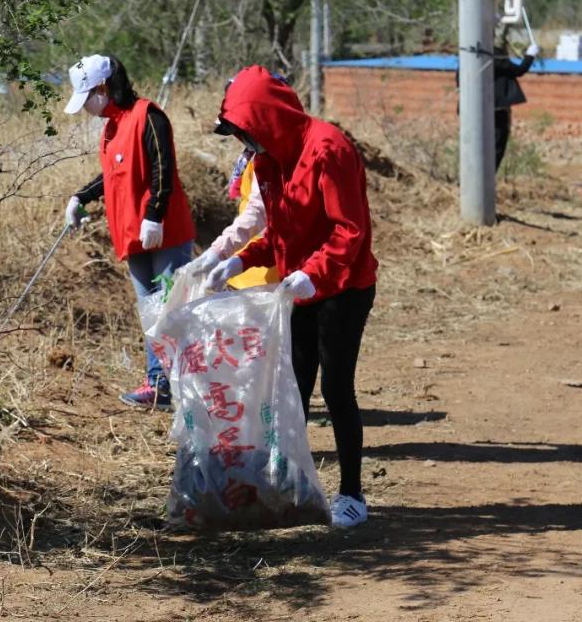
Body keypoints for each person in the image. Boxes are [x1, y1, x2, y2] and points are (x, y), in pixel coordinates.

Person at [204, 65, 378, 529]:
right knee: (293, 389)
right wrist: (239, 260)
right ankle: (291, 484)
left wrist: (313, 274)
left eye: (246, 130)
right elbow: (280, 230)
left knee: (337, 388)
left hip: (344, 285)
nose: (245, 142)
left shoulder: (327, 148)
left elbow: (351, 231)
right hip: (297, 288)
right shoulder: (268, 160)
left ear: (267, 118)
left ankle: (353, 494)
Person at [62, 54, 196, 411]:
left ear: (104, 88)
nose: (88, 107)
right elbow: (111, 176)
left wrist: (155, 215)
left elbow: (162, 169)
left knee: (171, 309)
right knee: (150, 311)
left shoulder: (147, 116)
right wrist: (82, 196)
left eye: (89, 96)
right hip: (132, 237)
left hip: (164, 232)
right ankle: (158, 386)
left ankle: (189, 385)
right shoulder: (110, 127)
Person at [182, 149, 280, 288]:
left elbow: (258, 211)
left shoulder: (269, 157)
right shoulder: (251, 153)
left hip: (265, 262)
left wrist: (220, 250)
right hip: (245, 253)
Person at [492, 42, 539, 171]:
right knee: (497, 146)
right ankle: (487, 180)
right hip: (497, 109)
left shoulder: (467, 55)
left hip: (471, 111)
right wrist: (530, 55)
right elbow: (519, 70)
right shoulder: (493, 53)